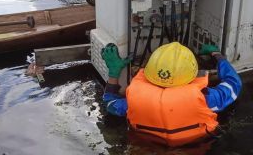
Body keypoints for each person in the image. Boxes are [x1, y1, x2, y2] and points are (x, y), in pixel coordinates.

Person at [101, 42, 242, 147]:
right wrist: (217, 55)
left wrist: (114, 73)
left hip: (147, 147)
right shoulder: (205, 99)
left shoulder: (132, 100)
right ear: (192, 74)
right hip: (195, 147)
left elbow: (109, 104)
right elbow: (234, 84)